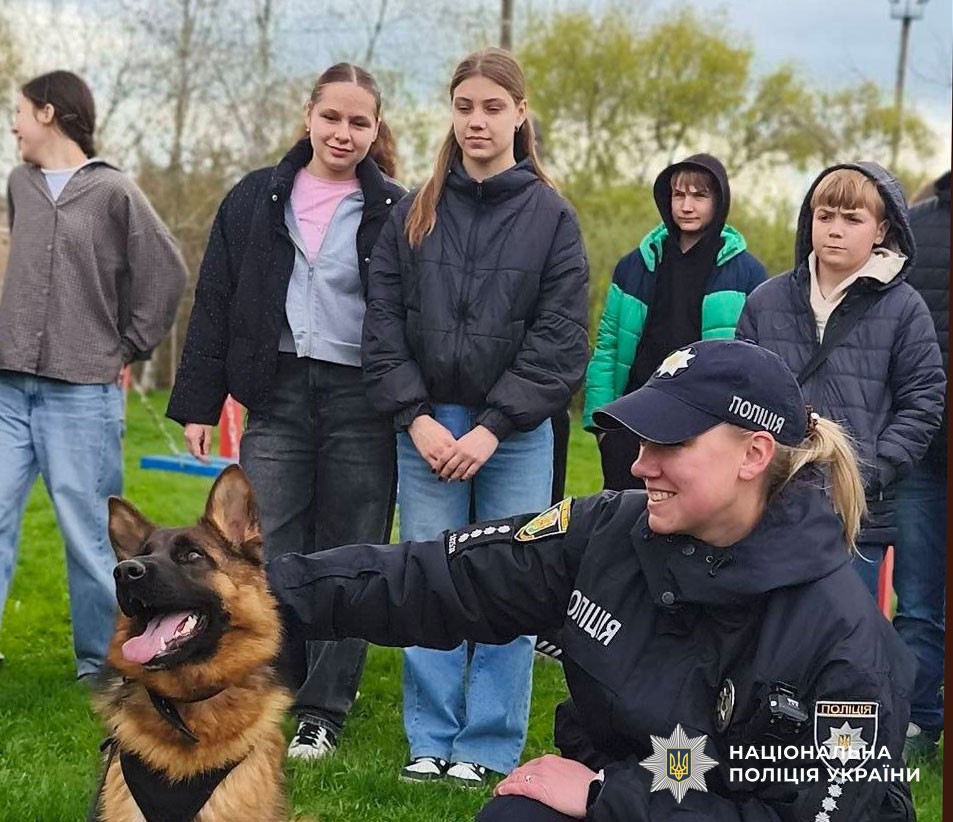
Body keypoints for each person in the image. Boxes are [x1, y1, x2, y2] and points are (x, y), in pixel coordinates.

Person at [269, 339, 917, 821]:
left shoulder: (842, 642)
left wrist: (607, 797)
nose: (640, 464)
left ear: (753, 454)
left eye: (669, 444)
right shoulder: (608, 531)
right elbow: (441, 577)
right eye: (641, 440)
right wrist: (267, 597)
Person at [360, 47, 589, 786]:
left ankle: (487, 743)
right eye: (464, 107)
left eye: (492, 107)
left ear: (520, 113)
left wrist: (492, 426)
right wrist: (417, 417)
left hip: (512, 435)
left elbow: (561, 341)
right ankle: (429, 737)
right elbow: (382, 326)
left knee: (509, 580)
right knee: (428, 576)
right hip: (426, 427)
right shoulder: (412, 211)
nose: (476, 121)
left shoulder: (551, 218)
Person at [166, 63, 404, 760]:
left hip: (362, 398)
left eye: (359, 121)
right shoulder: (254, 197)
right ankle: (269, 683)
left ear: (375, 130)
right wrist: (200, 401)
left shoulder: (395, 209)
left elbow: (411, 313)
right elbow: (215, 299)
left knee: (352, 551)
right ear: (308, 117)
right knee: (264, 549)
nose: (343, 132)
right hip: (276, 393)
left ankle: (324, 709)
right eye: (331, 117)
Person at [0, 70, 186, 678]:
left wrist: (128, 345)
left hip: (81, 395)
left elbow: (166, 270)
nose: (13, 124)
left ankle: (101, 664)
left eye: (19, 112)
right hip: (9, 387)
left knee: (89, 536)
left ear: (49, 113)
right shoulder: (20, 184)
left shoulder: (113, 191)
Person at [736, 162, 945, 597]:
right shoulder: (765, 301)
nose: (835, 229)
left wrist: (871, 471)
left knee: (845, 632)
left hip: (856, 517)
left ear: (882, 230)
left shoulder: (905, 309)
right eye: (825, 215)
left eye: (852, 219)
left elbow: (923, 402)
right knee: (765, 630)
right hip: (770, 507)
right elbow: (740, 391)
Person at [583, 154, 765, 491]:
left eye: (699, 196)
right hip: (630, 423)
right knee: (625, 517)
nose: (686, 206)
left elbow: (754, 363)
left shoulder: (747, 274)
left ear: (719, 200)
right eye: (678, 195)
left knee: (690, 518)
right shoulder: (634, 266)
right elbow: (607, 347)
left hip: (702, 429)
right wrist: (602, 425)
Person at [893, 169, 949, 762]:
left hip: (919, 450)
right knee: (918, 598)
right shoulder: (915, 229)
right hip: (923, 453)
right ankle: (917, 723)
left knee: (919, 601)